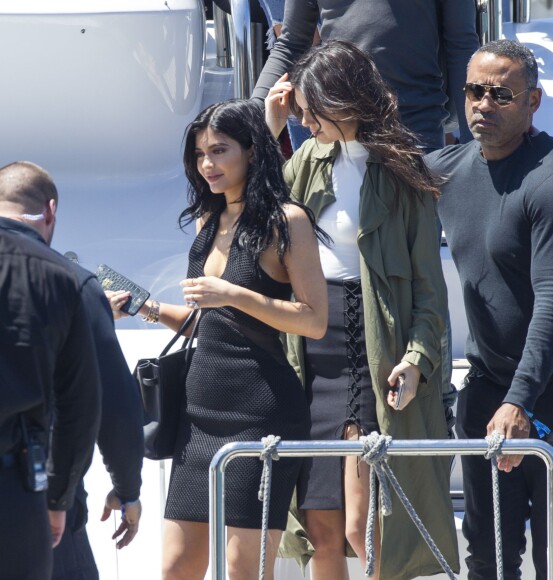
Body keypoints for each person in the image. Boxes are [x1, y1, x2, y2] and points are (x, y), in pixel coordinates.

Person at [108, 98, 328, 580]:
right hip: (198, 411)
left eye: (219, 151)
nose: (206, 164)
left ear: (252, 151)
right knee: (176, 567)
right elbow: (207, 320)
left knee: (242, 570)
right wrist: (143, 305)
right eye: (199, 154)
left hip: (260, 411)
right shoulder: (209, 221)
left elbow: (313, 320)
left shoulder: (287, 220)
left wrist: (233, 293)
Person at [265, 40, 459, 580]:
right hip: (309, 349)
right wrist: (271, 127)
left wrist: (418, 356)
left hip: (369, 352)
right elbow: (251, 212)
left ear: (342, 99)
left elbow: (428, 287)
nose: (303, 119)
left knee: (362, 526)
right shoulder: (304, 160)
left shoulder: (403, 174)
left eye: (309, 108)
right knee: (320, 527)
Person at [426, 39, 553, 579]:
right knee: (489, 559)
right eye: (474, 91)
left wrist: (520, 403)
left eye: (501, 94)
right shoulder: (448, 168)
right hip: (490, 390)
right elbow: (370, 169)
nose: (483, 104)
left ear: (534, 101)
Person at [0, 162, 101, 579]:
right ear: (50, 211)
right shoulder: (61, 277)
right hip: (15, 488)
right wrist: (59, 499)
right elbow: (80, 404)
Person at [252, 0, 479, 152]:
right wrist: (249, 114)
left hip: (415, 131)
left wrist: (475, 147)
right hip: (336, 130)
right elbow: (291, 44)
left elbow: (460, 45)